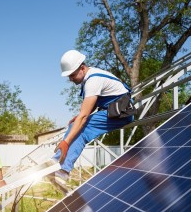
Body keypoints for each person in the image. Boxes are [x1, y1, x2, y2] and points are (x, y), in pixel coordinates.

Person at [53, 50, 135, 179]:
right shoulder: (90, 77)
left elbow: (84, 116)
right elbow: (93, 106)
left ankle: (62, 169)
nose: (71, 79)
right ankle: (56, 162)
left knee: (83, 128)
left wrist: (66, 142)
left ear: (82, 68)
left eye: (72, 75)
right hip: (113, 111)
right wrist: (78, 118)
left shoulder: (93, 80)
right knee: (76, 124)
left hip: (122, 113)